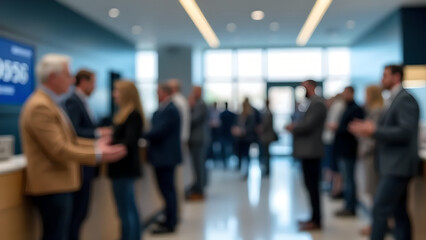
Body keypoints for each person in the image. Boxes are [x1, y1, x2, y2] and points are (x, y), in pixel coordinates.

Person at [19, 54, 127, 240]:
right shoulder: (40, 106)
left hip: (59, 184)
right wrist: (98, 153)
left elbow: (68, 139)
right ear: (53, 77)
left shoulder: (50, 103)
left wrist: (95, 145)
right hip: (52, 186)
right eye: (68, 75)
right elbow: (59, 149)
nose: (71, 80)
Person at [349, 65, 420, 240]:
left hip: (398, 165)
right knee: (399, 212)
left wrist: (374, 131)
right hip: (392, 164)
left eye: (385, 75)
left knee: (380, 209)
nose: (382, 79)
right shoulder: (394, 98)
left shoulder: (405, 99)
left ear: (396, 77)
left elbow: (405, 131)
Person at [63, 69, 112, 240]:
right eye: (93, 83)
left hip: (88, 165)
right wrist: (98, 135)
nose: (95, 87)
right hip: (80, 166)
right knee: (76, 215)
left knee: (81, 214)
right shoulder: (73, 101)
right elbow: (74, 133)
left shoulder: (83, 102)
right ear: (83, 82)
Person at [286, 80, 327, 230]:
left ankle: (316, 221)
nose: (302, 90)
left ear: (311, 87)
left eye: (304, 87)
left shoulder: (317, 103)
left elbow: (308, 125)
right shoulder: (311, 103)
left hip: (312, 151)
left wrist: (294, 127)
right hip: (307, 151)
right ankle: (313, 218)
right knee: (309, 186)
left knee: (313, 186)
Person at [108, 80, 145, 240]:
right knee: (128, 208)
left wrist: (109, 143)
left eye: (116, 91)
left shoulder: (132, 115)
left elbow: (129, 142)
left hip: (124, 169)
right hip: (122, 169)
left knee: (126, 210)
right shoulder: (124, 114)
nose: (114, 94)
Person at [144, 84, 182, 234]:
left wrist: (141, 135)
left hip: (166, 157)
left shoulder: (171, 110)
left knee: (168, 190)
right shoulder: (164, 109)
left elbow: (159, 131)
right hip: (162, 157)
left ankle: (170, 222)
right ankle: (168, 218)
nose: (157, 95)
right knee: (166, 190)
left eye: (158, 92)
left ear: (165, 93)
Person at [357, 85, 384, 236]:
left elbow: (373, 136)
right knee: (372, 192)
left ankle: (377, 224)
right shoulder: (371, 111)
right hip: (369, 156)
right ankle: (375, 223)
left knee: (374, 192)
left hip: (372, 157)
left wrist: (363, 148)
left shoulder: (377, 112)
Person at [334, 86, 365, 217]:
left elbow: (354, 129)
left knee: (349, 179)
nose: (343, 95)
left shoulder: (356, 109)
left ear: (351, 93)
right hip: (343, 149)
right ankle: (347, 205)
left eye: (346, 93)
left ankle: (350, 207)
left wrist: (338, 128)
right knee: (346, 179)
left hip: (349, 149)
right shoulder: (347, 107)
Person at [322, 94, 346, 197]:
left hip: (332, 140)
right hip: (330, 140)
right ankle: (333, 187)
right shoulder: (336, 106)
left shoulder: (338, 105)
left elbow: (332, 124)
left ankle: (336, 189)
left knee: (334, 167)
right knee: (331, 166)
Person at [187, 86, 208, 200]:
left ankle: (199, 190)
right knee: (197, 165)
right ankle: (197, 188)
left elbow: (193, 119)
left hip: (198, 139)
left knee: (198, 165)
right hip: (196, 139)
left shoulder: (200, 104)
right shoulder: (199, 104)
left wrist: (190, 107)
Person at [233, 98, 258, 179]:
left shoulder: (251, 115)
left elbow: (251, 127)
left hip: (247, 138)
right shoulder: (240, 115)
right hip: (240, 138)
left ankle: (246, 172)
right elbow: (237, 124)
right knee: (240, 154)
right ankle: (241, 169)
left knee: (246, 155)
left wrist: (243, 131)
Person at [260, 99, 277, 177]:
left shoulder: (268, 113)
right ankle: (266, 169)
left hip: (267, 136)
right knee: (265, 153)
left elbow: (266, 125)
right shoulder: (267, 112)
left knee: (266, 154)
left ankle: (267, 170)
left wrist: (260, 128)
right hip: (266, 136)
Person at [220, 102, 237, 167]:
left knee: (225, 147)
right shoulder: (231, 114)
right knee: (229, 147)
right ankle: (229, 158)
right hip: (228, 133)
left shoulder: (222, 114)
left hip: (225, 133)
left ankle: (225, 161)